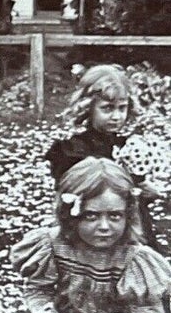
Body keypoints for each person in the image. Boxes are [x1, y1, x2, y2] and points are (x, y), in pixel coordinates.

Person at [11, 155, 171, 313]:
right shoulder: (53, 246)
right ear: (70, 215)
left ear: (128, 215)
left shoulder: (133, 259)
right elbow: (37, 290)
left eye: (115, 216)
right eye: (91, 216)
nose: (104, 226)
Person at [45, 63, 161, 244]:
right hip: (91, 224)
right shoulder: (73, 150)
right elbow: (68, 196)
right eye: (107, 108)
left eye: (121, 108)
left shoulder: (128, 146)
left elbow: (139, 185)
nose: (116, 116)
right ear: (88, 108)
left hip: (126, 224)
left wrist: (144, 188)